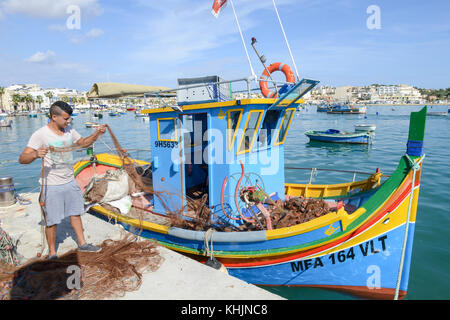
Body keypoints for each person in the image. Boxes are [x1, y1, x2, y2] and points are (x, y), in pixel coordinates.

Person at [19, 101, 107, 259]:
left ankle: (82, 244)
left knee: (76, 213)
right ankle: (52, 252)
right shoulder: (41, 134)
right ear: (54, 117)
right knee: (51, 220)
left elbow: (84, 143)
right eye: (66, 119)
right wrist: (34, 154)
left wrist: (97, 134)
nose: (68, 122)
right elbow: (22, 158)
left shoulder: (69, 130)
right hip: (51, 185)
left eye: (69, 119)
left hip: (70, 181)